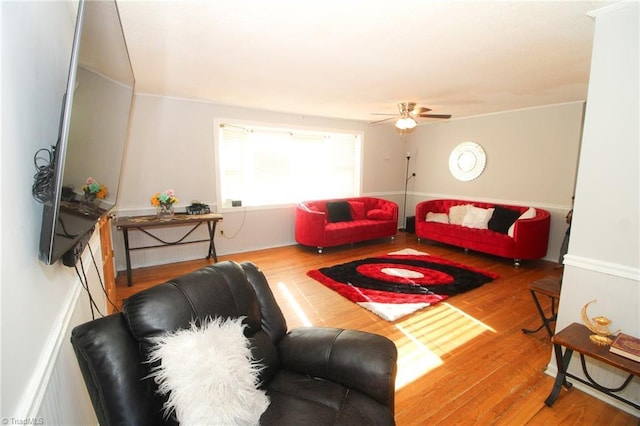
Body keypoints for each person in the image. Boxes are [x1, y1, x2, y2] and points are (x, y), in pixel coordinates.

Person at [558, 197, 574, 264]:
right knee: (564, 249)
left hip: (574, 234)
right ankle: (562, 263)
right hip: (569, 232)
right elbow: (567, 221)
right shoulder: (572, 211)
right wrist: (570, 216)